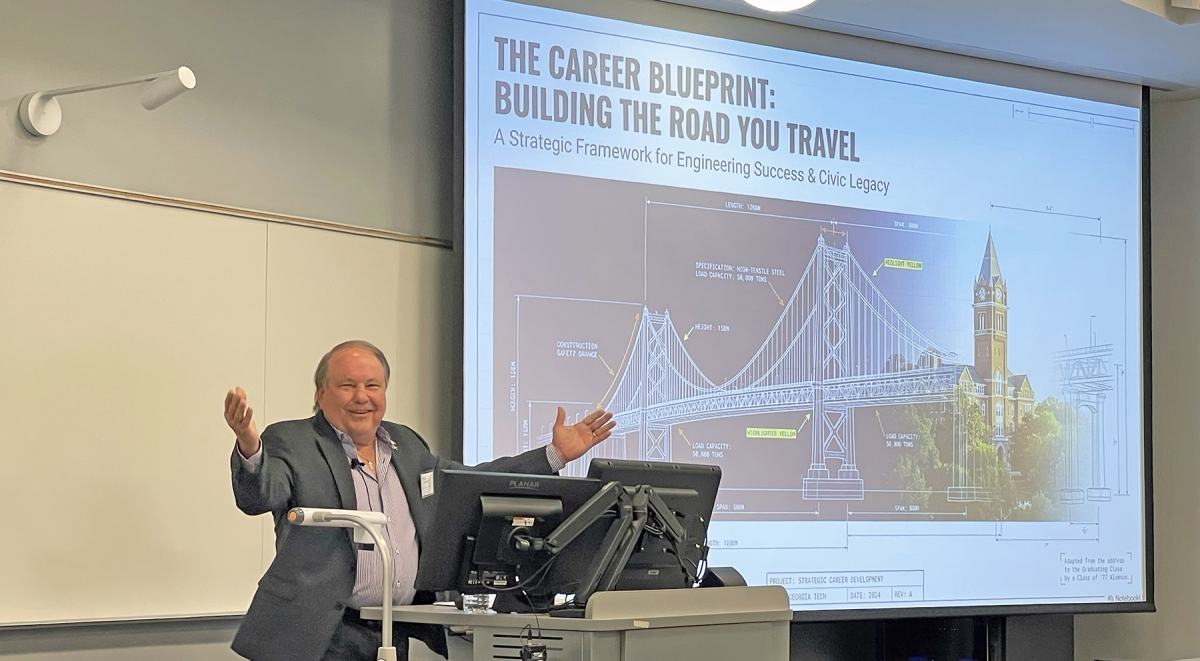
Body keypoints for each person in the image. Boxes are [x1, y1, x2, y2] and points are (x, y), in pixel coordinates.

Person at [224, 340, 614, 661]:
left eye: (373, 386)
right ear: (321, 392)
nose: (362, 397)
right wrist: (249, 447)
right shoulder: (291, 441)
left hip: (394, 631)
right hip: (318, 635)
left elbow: (471, 483)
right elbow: (260, 495)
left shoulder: (406, 444)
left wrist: (553, 455)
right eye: (347, 386)